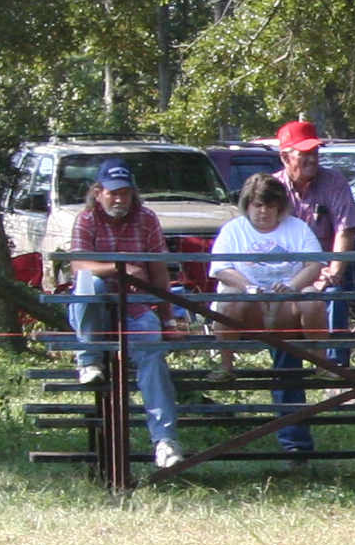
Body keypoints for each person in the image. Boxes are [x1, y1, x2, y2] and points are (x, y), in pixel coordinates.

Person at [68, 158, 183, 471]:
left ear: (134, 194)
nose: (119, 199)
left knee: (153, 354)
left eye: (125, 193)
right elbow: (78, 265)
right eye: (113, 192)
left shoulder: (146, 219)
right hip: (96, 311)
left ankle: (165, 441)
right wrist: (119, 268)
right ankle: (89, 360)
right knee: (88, 283)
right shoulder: (86, 219)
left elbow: (158, 270)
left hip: (136, 307)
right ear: (98, 191)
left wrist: (168, 319)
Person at [210, 172, 329, 458]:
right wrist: (248, 287)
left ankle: (321, 362)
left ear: (280, 206)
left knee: (312, 300)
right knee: (228, 299)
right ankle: (226, 365)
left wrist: (291, 287)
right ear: (247, 206)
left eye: (269, 205)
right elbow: (220, 268)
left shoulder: (297, 228)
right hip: (248, 309)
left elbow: (314, 264)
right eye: (256, 205)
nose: (263, 212)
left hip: (288, 309)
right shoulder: (233, 230)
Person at [269, 119, 355, 355]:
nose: (312, 158)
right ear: (285, 158)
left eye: (315, 151)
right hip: (284, 273)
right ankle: (287, 384)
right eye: (304, 153)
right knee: (278, 301)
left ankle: (337, 375)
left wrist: (334, 272)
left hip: (323, 271)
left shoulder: (334, 181)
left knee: (334, 295)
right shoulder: (271, 188)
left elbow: (346, 228)